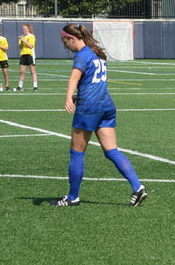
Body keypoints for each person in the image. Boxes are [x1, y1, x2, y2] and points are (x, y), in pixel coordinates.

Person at [50, 24, 147, 206]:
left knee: (76, 153)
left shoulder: (82, 55)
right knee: (111, 151)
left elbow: (75, 77)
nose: (65, 46)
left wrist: (68, 97)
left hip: (89, 108)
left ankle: (72, 197)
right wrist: (80, 95)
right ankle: (138, 187)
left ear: (72, 38)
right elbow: (92, 82)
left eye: (65, 41)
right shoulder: (97, 54)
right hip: (106, 105)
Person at [17, 23, 38, 91]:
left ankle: (35, 86)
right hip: (23, 54)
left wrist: (24, 41)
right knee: (22, 72)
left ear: (28, 29)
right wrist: (21, 42)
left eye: (25, 29)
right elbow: (20, 47)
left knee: (32, 71)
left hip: (30, 55)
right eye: (23, 29)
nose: (23, 31)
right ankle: (20, 86)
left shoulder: (32, 36)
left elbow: (31, 46)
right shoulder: (22, 37)